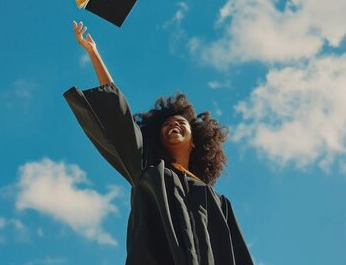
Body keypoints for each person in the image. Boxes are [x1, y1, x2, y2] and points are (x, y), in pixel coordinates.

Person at [64, 21, 254, 265]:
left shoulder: (219, 203)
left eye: (180, 124)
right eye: (166, 125)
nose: (173, 125)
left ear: (196, 142)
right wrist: (94, 53)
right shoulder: (148, 172)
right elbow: (120, 119)